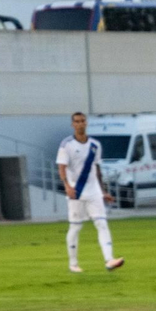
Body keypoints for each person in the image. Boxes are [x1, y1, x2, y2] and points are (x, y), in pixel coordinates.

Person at [56, 112, 123, 274]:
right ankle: (73, 263)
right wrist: (67, 186)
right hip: (76, 192)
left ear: (86, 123)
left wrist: (103, 191)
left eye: (83, 121)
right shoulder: (67, 145)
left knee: (102, 223)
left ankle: (109, 259)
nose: (80, 124)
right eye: (77, 121)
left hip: (93, 191)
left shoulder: (95, 145)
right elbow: (61, 167)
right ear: (73, 124)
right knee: (76, 227)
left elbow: (97, 168)